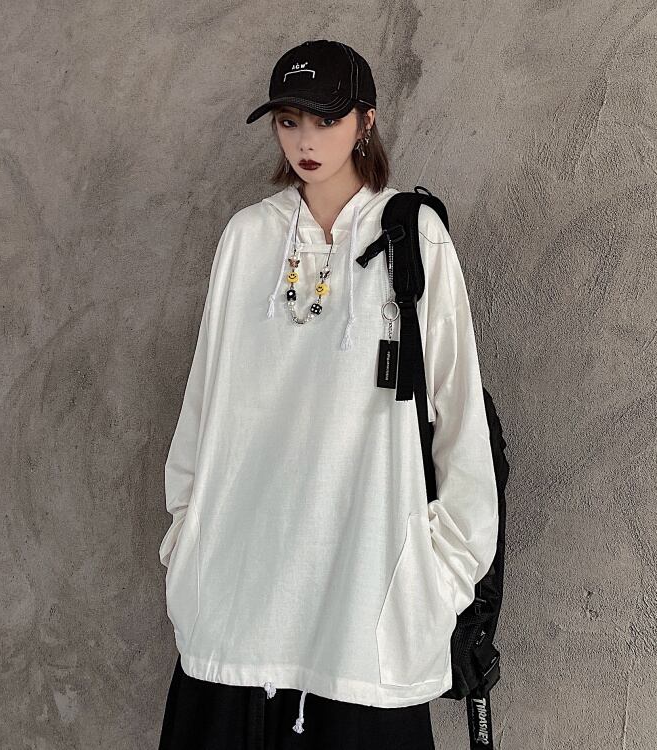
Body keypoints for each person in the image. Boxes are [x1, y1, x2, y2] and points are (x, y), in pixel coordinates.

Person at [157, 39, 498, 749]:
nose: (305, 142)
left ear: (366, 121)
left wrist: (439, 579)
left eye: (325, 120)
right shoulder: (248, 238)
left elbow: (460, 421)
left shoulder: (414, 236)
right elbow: (204, 405)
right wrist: (187, 545)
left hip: (366, 610)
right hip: (236, 604)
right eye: (289, 121)